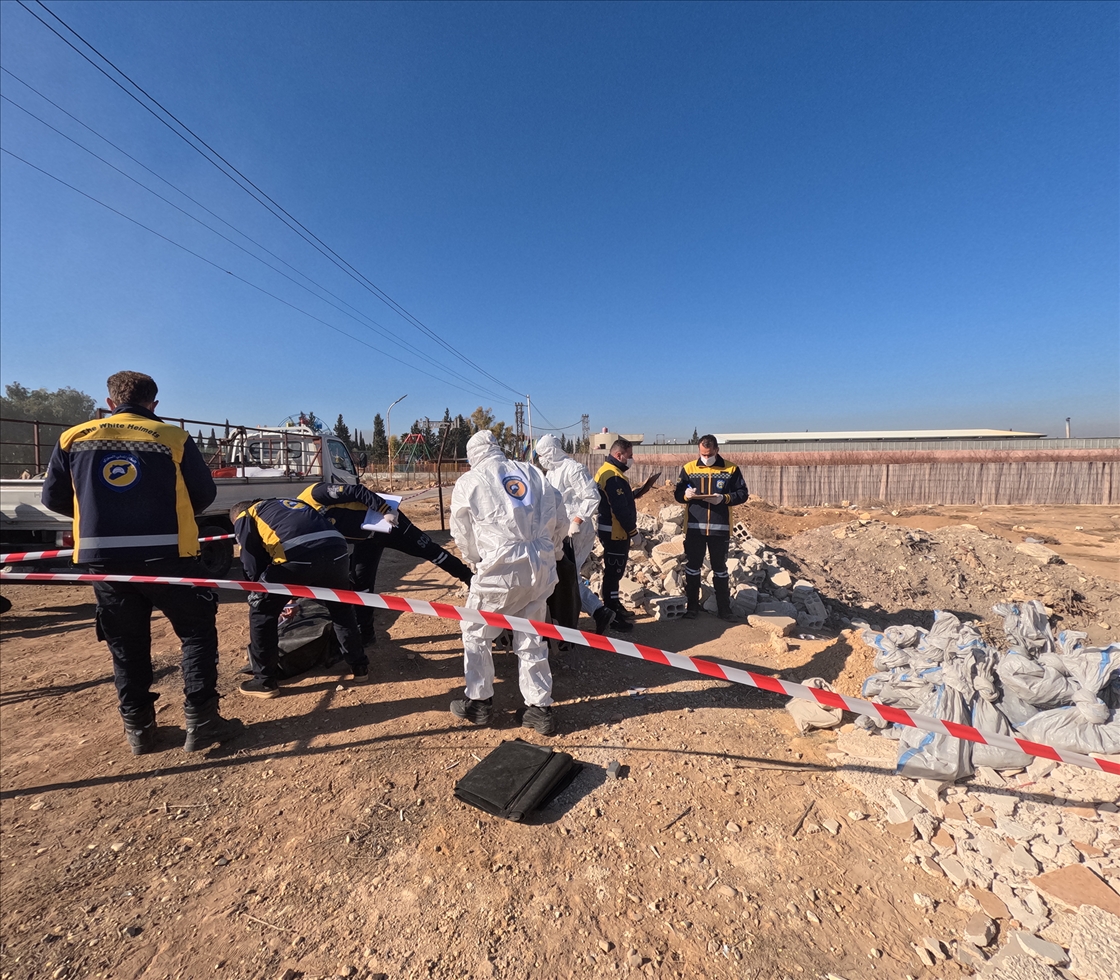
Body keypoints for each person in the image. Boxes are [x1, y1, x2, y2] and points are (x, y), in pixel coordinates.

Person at [40, 370, 242, 755]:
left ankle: (139, 729)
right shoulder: (172, 437)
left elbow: (53, 498)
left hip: (105, 561)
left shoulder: (73, 438)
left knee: (126, 643)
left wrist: (102, 516)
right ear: (154, 403)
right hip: (170, 555)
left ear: (110, 402)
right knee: (196, 633)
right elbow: (203, 493)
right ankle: (202, 721)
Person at [449, 430, 566, 735]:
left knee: (475, 631)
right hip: (540, 566)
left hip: (501, 569)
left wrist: (475, 560)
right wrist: (552, 550)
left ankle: (479, 702)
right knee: (532, 634)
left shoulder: (470, 481)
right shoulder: (532, 472)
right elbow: (560, 514)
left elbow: (462, 532)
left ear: (472, 456)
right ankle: (539, 709)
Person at [297, 477, 473, 645]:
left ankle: (469, 578)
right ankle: (366, 634)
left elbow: (357, 491)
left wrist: (385, 510)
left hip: (390, 523)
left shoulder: (315, 494)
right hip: (366, 540)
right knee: (361, 585)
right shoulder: (305, 525)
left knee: (432, 552)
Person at [232, 496, 370, 697]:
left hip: (297, 555)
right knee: (341, 610)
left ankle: (264, 681)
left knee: (262, 614)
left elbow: (251, 562)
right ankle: (359, 667)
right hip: (337, 552)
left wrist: (259, 595)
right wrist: (290, 598)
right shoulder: (287, 504)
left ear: (236, 516)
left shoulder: (246, 515)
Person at [534, 434, 616, 635]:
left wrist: (577, 520)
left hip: (576, 532)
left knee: (569, 576)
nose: (541, 459)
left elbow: (592, 496)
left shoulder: (574, 469)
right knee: (565, 575)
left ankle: (594, 613)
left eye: (543, 455)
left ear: (552, 451)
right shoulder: (551, 473)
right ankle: (597, 612)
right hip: (561, 532)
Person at [673, 434, 749, 620]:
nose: (705, 458)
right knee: (692, 568)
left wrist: (724, 498)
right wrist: (685, 494)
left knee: (720, 569)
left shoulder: (731, 469)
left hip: (719, 528)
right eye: (702, 454)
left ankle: (724, 609)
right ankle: (692, 607)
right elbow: (678, 492)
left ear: (717, 450)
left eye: (709, 454)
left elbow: (742, 494)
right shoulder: (689, 468)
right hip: (695, 528)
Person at [593, 438, 657, 631]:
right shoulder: (613, 476)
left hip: (611, 530)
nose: (631, 459)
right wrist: (633, 532)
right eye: (629, 456)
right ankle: (612, 614)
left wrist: (635, 493)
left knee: (615, 573)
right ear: (618, 455)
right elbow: (619, 510)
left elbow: (614, 500)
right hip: (615, 532)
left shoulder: (609, 472)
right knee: (613, 573)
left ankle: (614, 606)